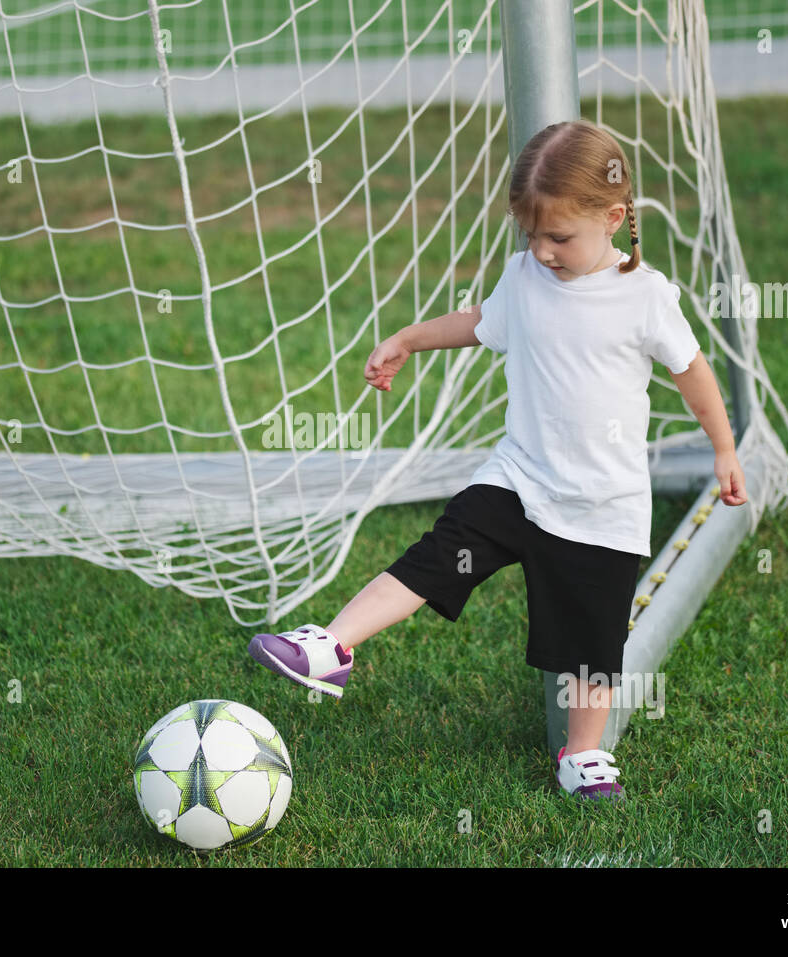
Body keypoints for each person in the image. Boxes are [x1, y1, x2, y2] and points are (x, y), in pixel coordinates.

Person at [247, 119, 748, 803]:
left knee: (592, 644)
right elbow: (479, 322)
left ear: (613, 217)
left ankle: (584, 752)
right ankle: (330, 646)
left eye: (559, 237)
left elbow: (693, 373)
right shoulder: (526, 276)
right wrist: (408, 338)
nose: (541, 251)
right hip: (518, 481)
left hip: (603, 506)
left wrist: (724, 448)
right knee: (437, 554)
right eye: (530, 235)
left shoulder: (645, 298)